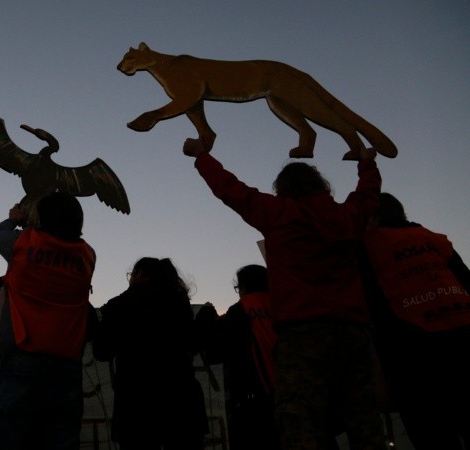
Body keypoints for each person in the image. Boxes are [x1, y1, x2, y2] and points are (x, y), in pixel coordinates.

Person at [184, 137, 386, 450]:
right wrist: (366, 163)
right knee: (364, 422)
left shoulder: (278, 213)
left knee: (301, 425)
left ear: (283, 188)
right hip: (354, 333)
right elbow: (368, 195)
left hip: (302, 334)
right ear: (320, 184)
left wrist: (201, 156)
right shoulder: (346, 217)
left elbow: (231, 190)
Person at [0, 192, 97, 450]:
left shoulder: (22, 243)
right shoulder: (88, 256)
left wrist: (13, 218)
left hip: (23, 359)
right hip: (67, 366)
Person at [359, 192, 470, 450]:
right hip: (464, 337)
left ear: (371, 219)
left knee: (433, 435)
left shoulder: (368, 245)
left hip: (412, 352)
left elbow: (365, 296)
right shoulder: (434, 239)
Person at [93, 257, 209, 449]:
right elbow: (194, 342)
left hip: (136, 406)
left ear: (139, 275)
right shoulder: (178, 302)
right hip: (181, 403)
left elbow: (102, 351)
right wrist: (205, 317)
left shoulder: (120, 304)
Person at [195, 264, 280, 450]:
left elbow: (215, 351)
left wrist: (207, 314)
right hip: (293, 397)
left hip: (255, 408)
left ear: (243, 287)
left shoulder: (239, 312)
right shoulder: (283, 306)